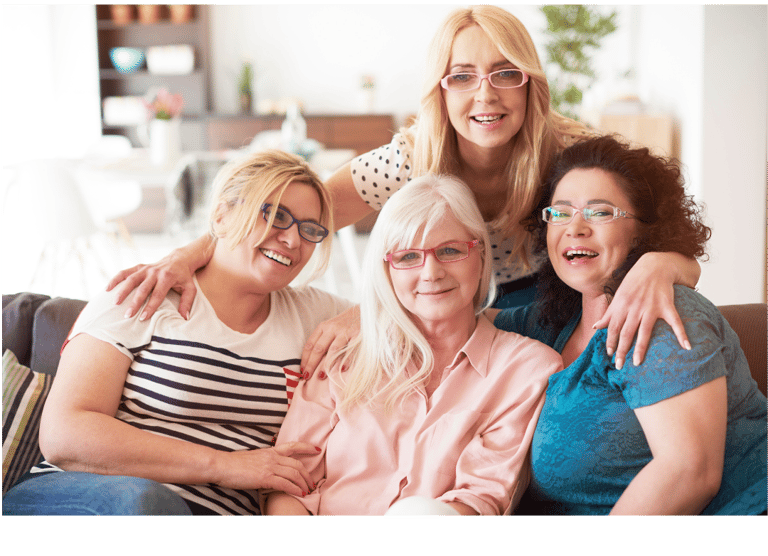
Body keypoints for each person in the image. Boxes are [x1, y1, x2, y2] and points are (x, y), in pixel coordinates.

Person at [105, 4, 699, 374]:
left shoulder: (573, 152)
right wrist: (190, 253)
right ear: (441, 90)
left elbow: (673, 234)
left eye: (504, 74)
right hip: (453, 319)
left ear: (529, 85)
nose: (484, 95)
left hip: (561, 315)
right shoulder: (414, 157)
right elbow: (299, 215)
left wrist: (664, 263)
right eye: (462, 76)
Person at [2, 150, 354, 516]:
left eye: (309, 229)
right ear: (221, 214)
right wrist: (225, 465)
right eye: (275, 215)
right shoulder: (142, 292)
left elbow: (408, 305)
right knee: (147, 504)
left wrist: (358, 317)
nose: (293, 240)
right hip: (86, 501)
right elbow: (64, 433)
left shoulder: (315, 314)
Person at [493, 135, 767, 516]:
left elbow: (690, 474)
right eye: (560, 212)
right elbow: (449, 320)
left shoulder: (666, 313)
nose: (575, 228)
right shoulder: (553, 322)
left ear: (644, 230)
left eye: (600, 212)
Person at [264, 174, 564, 516]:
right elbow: (287, 484)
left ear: (479, 255)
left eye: (450, 251)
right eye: (408, 257)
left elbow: (479, 501)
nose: (431, 272)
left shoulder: (527, 371)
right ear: (386, 269)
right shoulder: (344, 355)